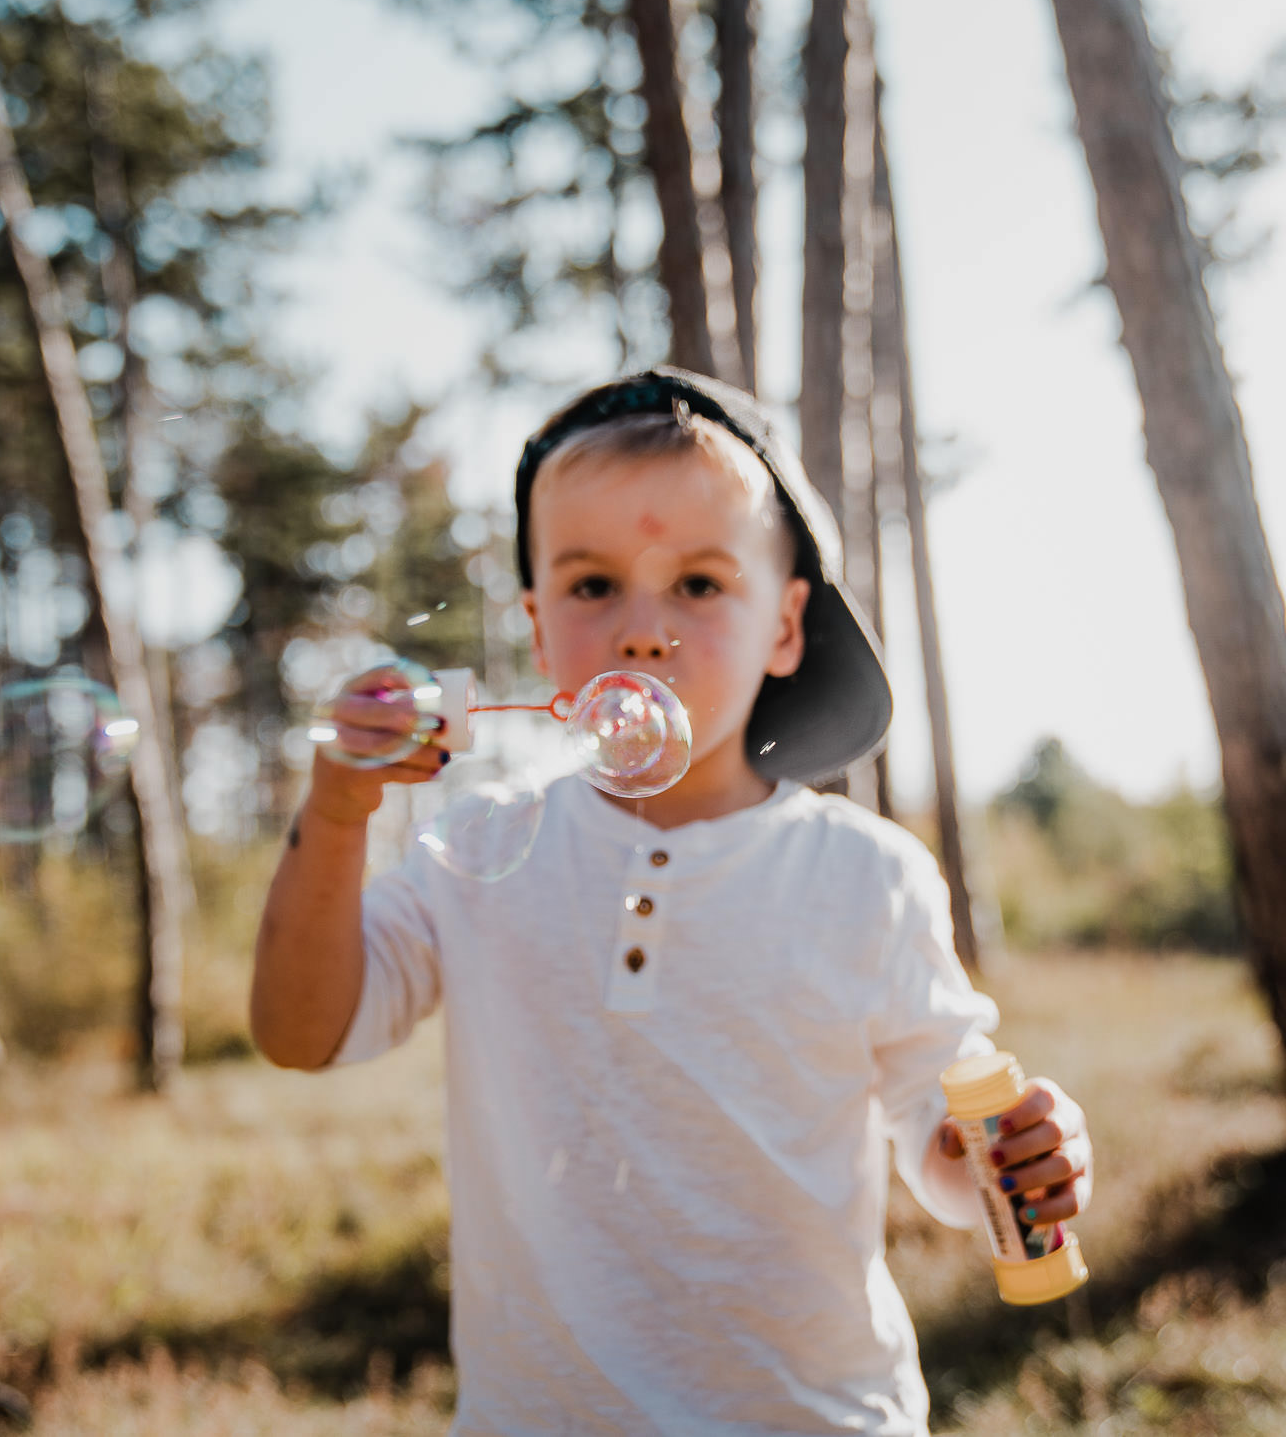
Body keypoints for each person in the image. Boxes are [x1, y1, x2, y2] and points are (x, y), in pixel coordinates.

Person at [251, 369, 1094, 1435]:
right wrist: (335, 814)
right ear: (537, 628)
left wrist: (1012, 1156)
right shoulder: (481, 845)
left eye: (699, 584)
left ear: (786, 628)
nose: (643, 630)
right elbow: (299, 1032)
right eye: (592, 586)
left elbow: (944, 1137)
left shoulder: (866, 878)